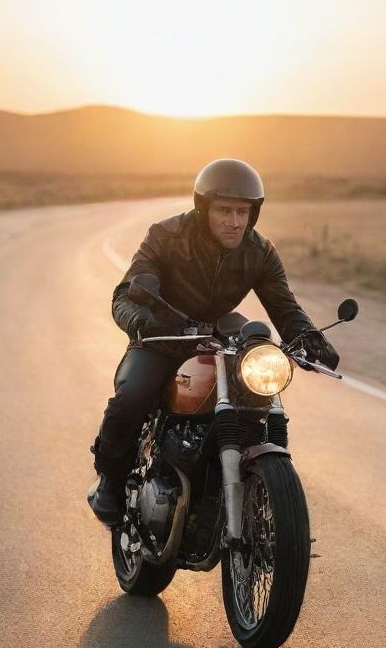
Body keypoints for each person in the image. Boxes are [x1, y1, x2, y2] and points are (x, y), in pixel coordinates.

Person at [88, 158, 339, 525]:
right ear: (204, 207)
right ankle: (110, 482)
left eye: (243, 211)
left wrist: (309, 338)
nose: (234, 221)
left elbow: (285, 306)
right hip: (162, 333)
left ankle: (262, 501)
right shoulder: (166, 236)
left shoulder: (260, 251)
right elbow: (125, 294)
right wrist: (140, 321)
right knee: (131, 398)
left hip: (218, 334)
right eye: (224, 210)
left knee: (255, 387)